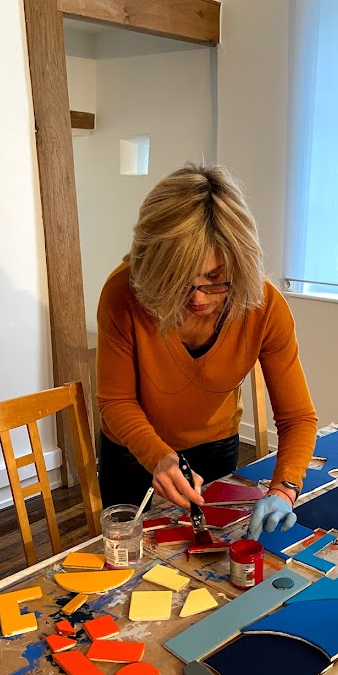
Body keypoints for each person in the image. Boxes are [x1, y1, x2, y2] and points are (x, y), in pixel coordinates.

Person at [96, 164, 317, 540]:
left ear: (240, 263)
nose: (198, 298)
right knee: (130, 566)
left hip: (215, 448)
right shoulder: (122, 294)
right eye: (179, 281)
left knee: (207, 559)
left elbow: (297, 417)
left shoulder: (264, 306)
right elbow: (115, 401)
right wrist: (158, 457)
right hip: (132, 452)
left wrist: (284, 489)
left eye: (216, 279)